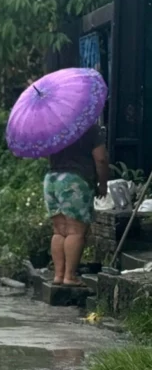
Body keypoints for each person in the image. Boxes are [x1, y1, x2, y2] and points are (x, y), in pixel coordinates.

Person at [43, 122, 109, 286]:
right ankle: (70, 276)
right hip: (74, 181)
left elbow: (47, 154)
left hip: (51, 180)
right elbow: (101, 159)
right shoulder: (91, 128)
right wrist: (102, 184)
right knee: (75, 231)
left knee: (59, 231)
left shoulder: (54, 127)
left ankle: (58, 275)